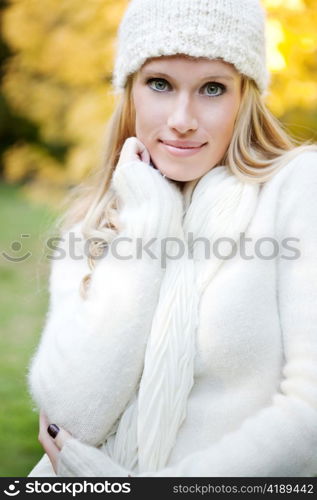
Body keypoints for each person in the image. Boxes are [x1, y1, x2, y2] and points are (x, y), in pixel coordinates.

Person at [27, 0, 317, 477]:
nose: (182, 118)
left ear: (245, 96)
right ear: (131, 90)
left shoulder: (295, 189)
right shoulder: (94, 223)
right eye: (160, 84)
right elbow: (74, 419)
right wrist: (147, 219)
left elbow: (309, 411)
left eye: (212, 88)